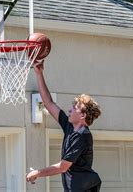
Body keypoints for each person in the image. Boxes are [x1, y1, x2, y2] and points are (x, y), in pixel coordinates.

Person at [26, 60, 102, 192]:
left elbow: (63, 167)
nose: (70, 110)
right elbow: (48, 102)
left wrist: (37, 173)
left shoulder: (81, 136)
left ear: (83, 116)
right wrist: (39, 74)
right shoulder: (70, 127)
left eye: (75, 108)